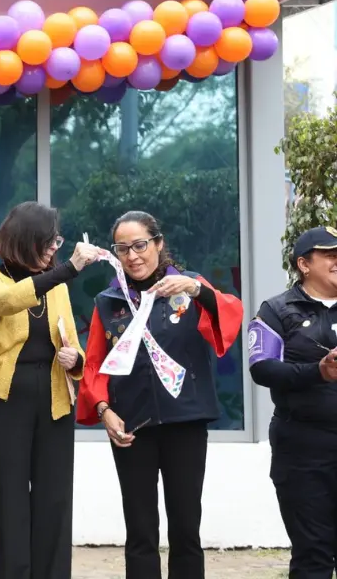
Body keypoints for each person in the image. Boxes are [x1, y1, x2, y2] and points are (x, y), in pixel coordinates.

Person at [78, 211, 242, 579]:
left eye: (140, 245)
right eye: (123, 249)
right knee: (140, 532)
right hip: (131, 427)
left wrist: (197, 290)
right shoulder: (109, 301)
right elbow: (94, 365)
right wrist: (104, 410)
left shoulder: (189, 286)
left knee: (186, 528)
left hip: (186, 422)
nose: (133, 256)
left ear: (158, 243)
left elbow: (230, 315)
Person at [0, 201, 94, 579]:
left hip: (54, 397)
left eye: (57, 242)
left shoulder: (56, 285)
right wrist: (69, 269)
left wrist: (77, 359)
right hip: (2, 399)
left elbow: (70, 338)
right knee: (10, 502)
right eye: (49, 242)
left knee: (54, 500)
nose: (55, 249)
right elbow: (9, 301)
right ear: (25, 242)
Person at [248, 226, 337, 579]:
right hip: (302, 449)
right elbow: (262, 368)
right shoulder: (277, 310)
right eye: (329, 255)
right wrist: (318, 371)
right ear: (304, 263)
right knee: (313, 554)